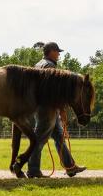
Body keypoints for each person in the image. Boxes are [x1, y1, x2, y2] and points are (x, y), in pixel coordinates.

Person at [26, 41, 87, 178]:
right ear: (52, 51)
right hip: (48, 109)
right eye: (57, 51)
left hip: (42, 107)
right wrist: (61, 109)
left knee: (59, 137)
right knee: (39, 139)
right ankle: (33, 169)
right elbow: (53, 92)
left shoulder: (38, 64)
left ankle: (70, 166)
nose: (59, 54)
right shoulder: (50, 66)